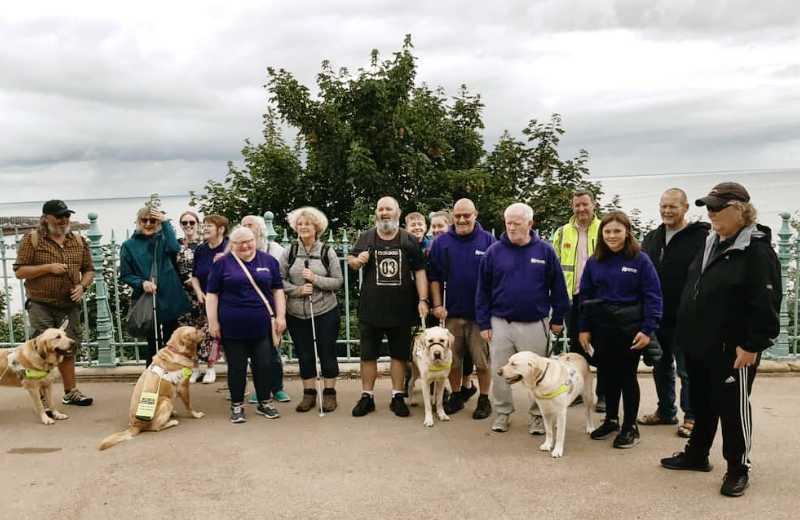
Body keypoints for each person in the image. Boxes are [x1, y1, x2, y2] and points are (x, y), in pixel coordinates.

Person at [661, 182, 780, 498]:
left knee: (732, 409)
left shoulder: (756, 250)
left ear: (740, 210)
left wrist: (753, 345)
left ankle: (738, 468)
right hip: (698, 342)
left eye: (717, 208)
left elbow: (767, 301)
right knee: (701, 403)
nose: (711, 213)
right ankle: (697, 454)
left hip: (733, 348)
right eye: (708, 207)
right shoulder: (711, 241)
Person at [476, 202, 569, 433]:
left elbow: (558, 287)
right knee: (500, 371)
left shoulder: (545, 251)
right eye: (508, 223)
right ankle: (502, 413)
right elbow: (482, 291)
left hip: (535, 323)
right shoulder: (493, 252)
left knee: (538, 373)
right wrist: (484, 323)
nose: (512, 228)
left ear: (530, 223)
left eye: (517, 223)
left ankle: (538, 415)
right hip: (500, 323)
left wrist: (558, 318)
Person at [578, 211, 662, 449]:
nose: (612, 236)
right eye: (607, 231)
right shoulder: (595, 262)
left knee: (626, 377)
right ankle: (611, 420)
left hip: (630, 329)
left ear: (627, 232)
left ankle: (630, 427)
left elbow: (653, 297)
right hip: (602, 327)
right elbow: (585, 295)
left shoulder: (640, 260)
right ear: (601, 234)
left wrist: (647, 330)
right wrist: (584, 328)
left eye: (617, 231)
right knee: (607, 375)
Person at [347, 196, 429, 418]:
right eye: (381, 208)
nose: (384, 212)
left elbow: (420, 271)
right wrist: (356, 262)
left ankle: (397, 396)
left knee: (399, 355)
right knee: (368, 355)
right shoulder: (367, 237)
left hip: (402, 308)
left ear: (398, 213)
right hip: (371, 308)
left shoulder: (408, 239)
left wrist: (423, 300)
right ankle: (367, 396)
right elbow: (351, 260)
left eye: (389, 209)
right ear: (376, 213)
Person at [637, 189, 709, 438]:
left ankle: (692, 416)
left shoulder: (701, 237)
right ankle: (666, 411)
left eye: (673, 207)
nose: (667, 211)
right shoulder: (652, 237)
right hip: (658, 313)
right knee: (661, 365)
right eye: (663, 206)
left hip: (687, 314)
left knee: (687, 369)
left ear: (685, 207)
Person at [13, 199, 95, 406]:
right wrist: (48, 268)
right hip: (41, 304)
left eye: (66, 216)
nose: (63, 220)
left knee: (67, 348)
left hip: (69, 305)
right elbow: (20, 271)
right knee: (41, 350)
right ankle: (41, 395)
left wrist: (82, 287)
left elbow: (89, 270)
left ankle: (71, 392)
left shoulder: (78, 241)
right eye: (59, 216)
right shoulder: (32, 240)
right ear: (45, 218)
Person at [205, 226, 287, 423]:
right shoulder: (222, 263)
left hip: (262, 325)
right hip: (232, 325)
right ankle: (236, 405)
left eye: (248, 240)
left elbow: (278, 290)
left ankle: (265, 402)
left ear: (255, 239)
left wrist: (281, 317)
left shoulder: (268, 261)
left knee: (264, 365)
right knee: (237, 367)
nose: (245, 245)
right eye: (239, 242)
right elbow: (212, 294)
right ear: (232, 245)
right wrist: (213, 322)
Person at [428, 198, 495, 419]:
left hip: (480, 315)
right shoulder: (441, 243)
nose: (462, 219)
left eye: (467, 215)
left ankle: (484, 399)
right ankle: (456, 394)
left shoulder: (489, 241)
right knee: (453, 360)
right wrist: (437, 305)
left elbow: (496, 278)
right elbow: (435, 277)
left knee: (481, 361)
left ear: (475, 214)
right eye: (458, 216)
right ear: (452, 217)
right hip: (452, 313)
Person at [279, 207, 343, 412]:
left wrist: (316, 280)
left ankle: (330, 394)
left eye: (308, 223)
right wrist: (297, 290)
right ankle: (309, 394)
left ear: (317, 228)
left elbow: (338, 281)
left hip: (325, 310)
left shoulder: (326, 251)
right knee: (304, 354)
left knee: (327, 351)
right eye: (300, 224)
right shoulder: (289, 252)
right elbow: (278, 281)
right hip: (297, 312)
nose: (303, 227)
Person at [551, 189, 605, 411]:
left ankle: (603, 395)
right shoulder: (562, 232)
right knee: (577, 348)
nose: (581, 209)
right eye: (577, 205)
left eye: (585, 204)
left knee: (602, 346)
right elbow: (554, 267)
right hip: (572, 297)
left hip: (600, 298)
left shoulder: (604, 228)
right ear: (572, 207)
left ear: (594, 205)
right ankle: (580, 391)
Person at [120, 206, 191, 367]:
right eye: (144, 220)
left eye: (153, 220)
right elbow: (125, 274)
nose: (148, 224)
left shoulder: (163, 240)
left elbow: (175, 248)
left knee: (172, 342)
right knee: (153, 344)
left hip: (169, 297)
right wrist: (141, 283)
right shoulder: (129, 245)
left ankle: (170, 379)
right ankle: (151, 383)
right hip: (148, 298)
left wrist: (165, 222)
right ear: (138, 222)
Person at [242, 214, 290, 403]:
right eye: (244, 225)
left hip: (271, 307)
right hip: (249, 308)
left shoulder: (275, 250)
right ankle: (261, 389)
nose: (247, 227)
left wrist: (281, 314)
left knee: (273, 348)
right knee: (255, 352)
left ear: (261, 229)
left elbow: (282, 282)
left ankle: (277, 387)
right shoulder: (239, 252)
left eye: (250, 225)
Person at [189, 214, 229, 383]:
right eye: (204, 225)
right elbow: (194, 275)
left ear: (220, 229)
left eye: (209, 226)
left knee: (217, 335)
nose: (204, 228)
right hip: (203, 299)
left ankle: (211, 368)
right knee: (199, 334)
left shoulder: (229, 248)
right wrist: (198, 291)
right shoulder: (200, 249)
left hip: (225, 300)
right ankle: (196, 368)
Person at [175, 211, 206, 381]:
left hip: (201, 293)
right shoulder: (177, 245)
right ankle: (191, 369)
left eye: (191, 222)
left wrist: (196, 281)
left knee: (204, 332)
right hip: (183, 295)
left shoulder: (204, 245)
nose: (188, 226)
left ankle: (208, 367)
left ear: (197, 224)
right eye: (184, 222)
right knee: (186, 334)